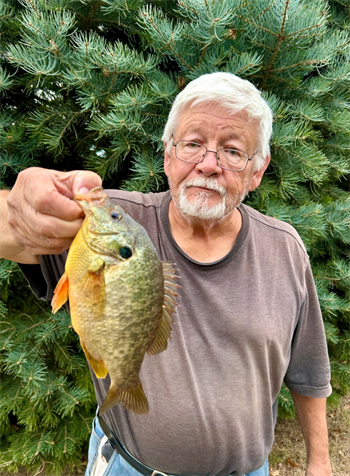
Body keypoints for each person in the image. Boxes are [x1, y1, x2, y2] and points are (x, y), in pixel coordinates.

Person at [0, 72, 332, 476]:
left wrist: (320, 462)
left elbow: (308, 369)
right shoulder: (111, 221)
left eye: (231, 151)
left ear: (257, 171)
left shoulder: (284, 248)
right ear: (167, 155)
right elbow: (13, 233)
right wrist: (16, 212)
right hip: (127, 467)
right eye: (192, 144)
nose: (208, 165)